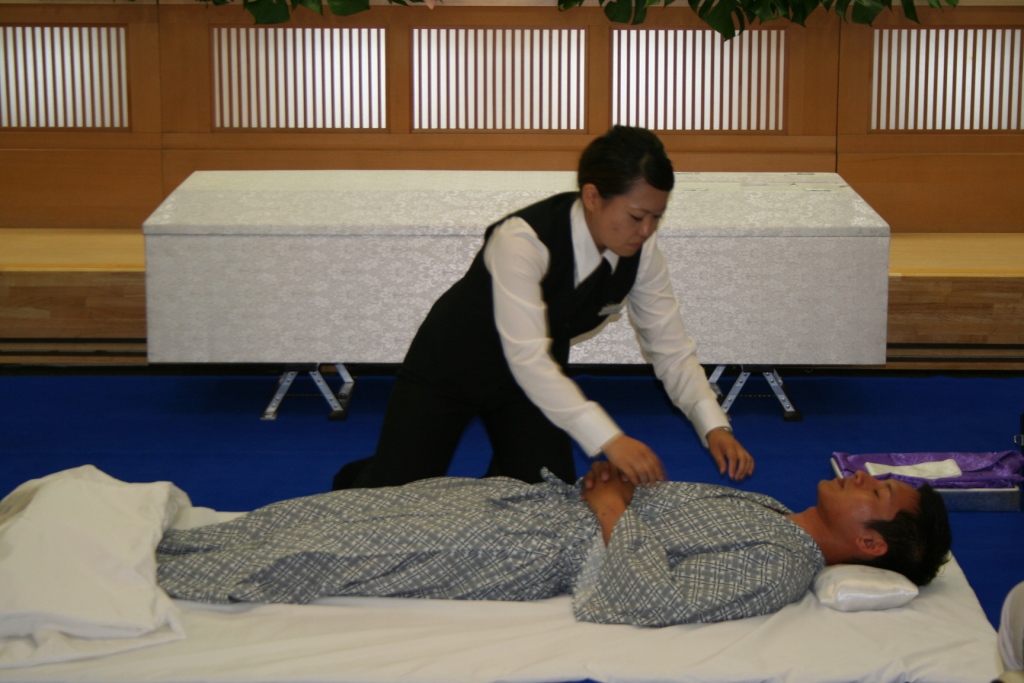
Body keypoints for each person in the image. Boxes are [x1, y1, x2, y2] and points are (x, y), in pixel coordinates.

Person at [332, 126, 752, 492]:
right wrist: (610, 438)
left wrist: (713, 425)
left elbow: (670, 348)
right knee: (396, 496)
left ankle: (496, 486)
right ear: (592, 196)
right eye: (637, 216)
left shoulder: (642, 251)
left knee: (544, 497)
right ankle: (362, 477)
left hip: (532, 387)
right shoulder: (521, 239)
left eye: (657, 217)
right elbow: (527, 356)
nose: (647, 231)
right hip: (450, 367)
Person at [157, 465, 951, 627]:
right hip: (527, 504)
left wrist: (609, 506)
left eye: (878, 491)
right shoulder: (775, 512)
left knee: (340, 549)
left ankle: (147, 579)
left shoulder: (782, 563)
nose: (863, 475)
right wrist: (618, 486)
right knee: (343, 510)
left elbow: (644, 599)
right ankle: (167, 546)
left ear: (869, 542)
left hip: (525, 550)